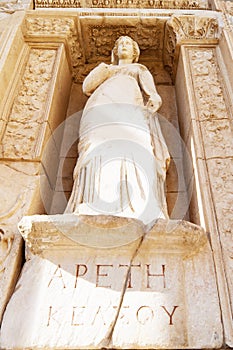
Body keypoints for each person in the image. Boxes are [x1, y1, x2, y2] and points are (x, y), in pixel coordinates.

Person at [65, 36, 170, 229]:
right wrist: (104, 69)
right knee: (96, 147)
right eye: (120, 43)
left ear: (135, 52)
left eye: (128, 44)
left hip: (129, 107)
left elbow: (152, 94)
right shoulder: (107, 70)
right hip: (100, 109)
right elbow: (87, 87)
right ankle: (95, 201)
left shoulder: (138, 70)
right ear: (114, 50)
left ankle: (136, 203)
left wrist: (154, 100)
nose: (123, 46)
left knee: (132, 146)